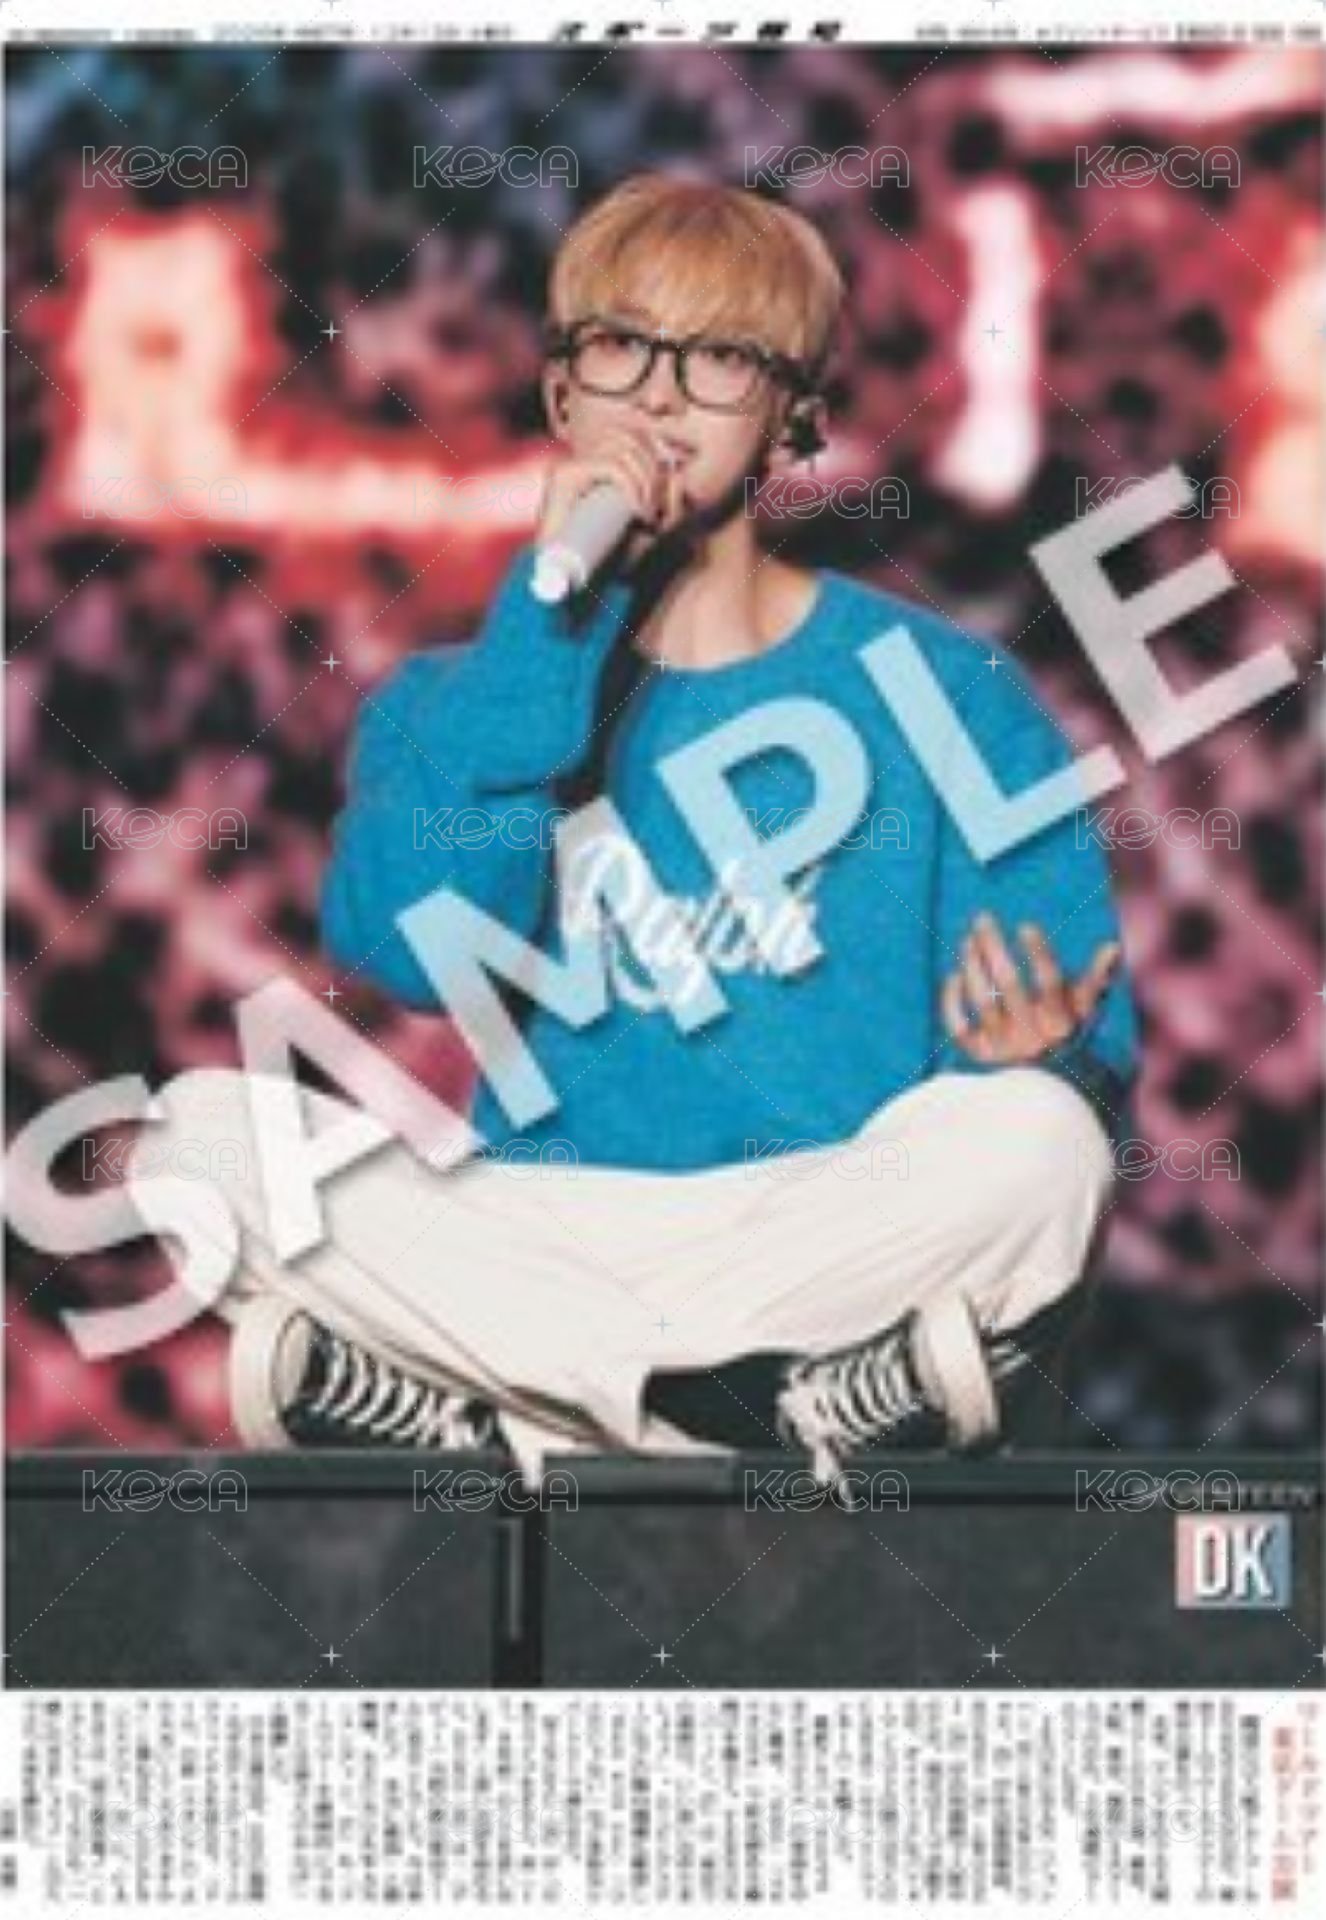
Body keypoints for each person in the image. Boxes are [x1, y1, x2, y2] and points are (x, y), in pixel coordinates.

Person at [150, 173, 1137, 1488]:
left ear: (793, 420)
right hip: (547, 1226)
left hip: (822, 1242)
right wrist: (544, 629)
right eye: (621, 347)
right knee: (197, 1144)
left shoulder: (949, 692)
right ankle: (736, 1416)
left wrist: (1044, 1056)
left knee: (1040, 1147)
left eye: (720, 358)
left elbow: (1072, 1065)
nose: (660, 398)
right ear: (564, 396)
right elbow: (408, 955)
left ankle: (526, 1423)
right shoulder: (453, 699)